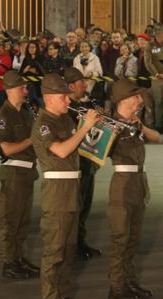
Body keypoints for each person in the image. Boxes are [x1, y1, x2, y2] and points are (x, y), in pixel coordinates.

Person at [32, 73, 98, 299]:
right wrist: (85, 128)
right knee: (55, 250)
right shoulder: (44, 123)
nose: (67, 100)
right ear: (48, 97)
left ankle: (64, 298)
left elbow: (79, 146)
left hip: (71, 186)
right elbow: (61, 150)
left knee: (69, 250)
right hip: (57, 189)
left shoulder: (65, 118)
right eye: (62, 97)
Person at [106, 78, 163, 299]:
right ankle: (117, 285)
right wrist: (116, 128)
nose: (140, 100)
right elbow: (99, 151)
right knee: (120, 236)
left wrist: (139, 124)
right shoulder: (111, 125)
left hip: (139, 180)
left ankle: (129, 281)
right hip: (123, 182)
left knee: (133, 236)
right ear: (123, 99)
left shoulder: (135, 124)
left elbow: (157, 137)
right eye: (136, 97)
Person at [0, 71, 40, 279]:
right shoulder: (3, 116)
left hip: (27, 171)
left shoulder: (26, 112)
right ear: (11, 90)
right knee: (11, 219)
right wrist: (31, 140)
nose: (26, 91)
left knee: (23, 219)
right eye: (22, 88)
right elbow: (5, 149)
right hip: (13, 171)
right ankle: (9, 262)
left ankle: (18, 257)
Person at [64, 67, 103, 259]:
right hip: (76, 165)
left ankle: (80, 243)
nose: (85, 85)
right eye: (81, 83)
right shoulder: (66, 110)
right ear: (71, 86)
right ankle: (72, 245)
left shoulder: (81, 106)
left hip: (88, 164)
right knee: (76, 206)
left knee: (84, 206)